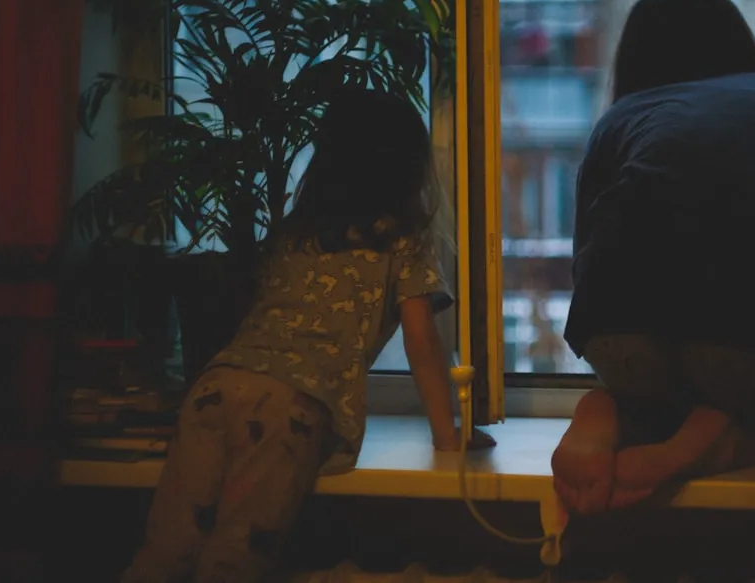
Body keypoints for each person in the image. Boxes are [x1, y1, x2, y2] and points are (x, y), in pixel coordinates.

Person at [121, 88, 494, 583]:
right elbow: (421, 340)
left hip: (213, 387)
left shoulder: (296, 231)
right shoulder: (400, 236)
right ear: (406, 168)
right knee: (235, 561)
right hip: (285, 408)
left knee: (166, 553)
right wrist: (448, 433)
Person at [551, 0, 755, 516]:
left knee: (670, 373)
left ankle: (615, 412)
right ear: (738, 40)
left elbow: (588, 267)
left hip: (622, 346)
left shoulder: (621, 118)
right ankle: (727, 438)